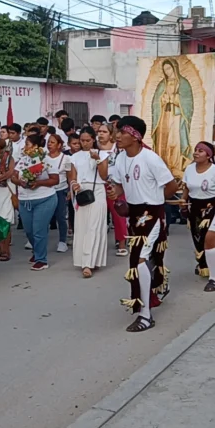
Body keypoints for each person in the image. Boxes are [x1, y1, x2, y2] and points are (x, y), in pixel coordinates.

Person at [108, 116, 178, 333]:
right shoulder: (120, 159)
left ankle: (146, 315)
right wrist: (116, 193)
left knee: (138, 259)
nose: (117, 136)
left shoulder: (151, 159)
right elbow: (120, 185)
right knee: (142, 259)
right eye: (116, 132)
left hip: (152, 214)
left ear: (136, 136)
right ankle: (153, 295)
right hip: (134, 214)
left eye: (122, 132)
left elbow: (171, 186)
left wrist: (155, 202)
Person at [182, 141, 215, 292]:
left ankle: (213, 278)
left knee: (210, 240)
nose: (196, 153)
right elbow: (186, 187)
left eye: (200, 151)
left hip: (214, 209)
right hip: (195, 209)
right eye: (195, 150)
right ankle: (204, 263)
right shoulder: (189, 169)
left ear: (208, 155)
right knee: (199, 239)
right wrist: (183, 201)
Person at [11, 134, 60, 271]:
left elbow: (55, 180)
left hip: (44, 199)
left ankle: (41, 259)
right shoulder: (22, 160)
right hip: (25, 200)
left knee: (39, 230)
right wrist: (19, 182)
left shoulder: (46, 160)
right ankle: (37, 251)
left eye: (27, 144)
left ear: (36, 146)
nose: (24, 147)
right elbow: (14, 176)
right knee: (29, 231)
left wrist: (38, 182)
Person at [68, 127, 110, 278]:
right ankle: (84, 260)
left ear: (93, 140)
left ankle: (89, 263)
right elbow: (72, 176)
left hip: (97, 191)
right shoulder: (74, 157)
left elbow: (104, 176)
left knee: (94, 226)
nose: (85, 143)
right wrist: (74, 185)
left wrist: (97, 159)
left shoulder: (103, 154)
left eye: (88, 140)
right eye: (82, 141)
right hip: (81, 192)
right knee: (82, 227)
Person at [98, 122, 128, 257]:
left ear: (111, 135)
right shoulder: (95, 149)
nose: (100, 134)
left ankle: (122, 243)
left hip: (115, 185)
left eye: (104, 132)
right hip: (98, 185)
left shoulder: (119, 150)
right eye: (99, 131)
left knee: (118, 214)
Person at [45, 134, 72, 253]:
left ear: (59, 145)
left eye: (52, 142)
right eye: (48, 142)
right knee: (44, 217)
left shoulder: (65, 158)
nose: (49, 144)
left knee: (61, 217)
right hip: (46, 190)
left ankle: (62, 241)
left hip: (61, 190)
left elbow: (70, 176)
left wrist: (71, 190)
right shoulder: (43, 157)